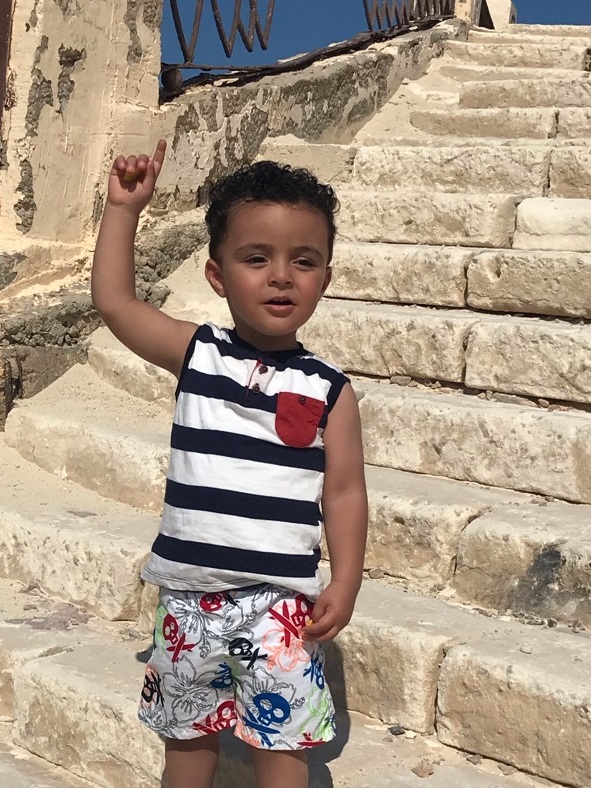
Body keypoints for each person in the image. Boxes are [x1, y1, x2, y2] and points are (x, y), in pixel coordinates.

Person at [91, 139, 368, 788]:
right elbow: (115, 303)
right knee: (187, 744)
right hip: (188, 600)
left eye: (304, 261)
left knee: (283, 746)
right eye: (256, 258)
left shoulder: (331, 390)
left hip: (280, 606)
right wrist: (123, 210)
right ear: (216, 275)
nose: (281, 276)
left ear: (325, 279)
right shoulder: (198, 353)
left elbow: (345, 493)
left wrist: (347, 580)